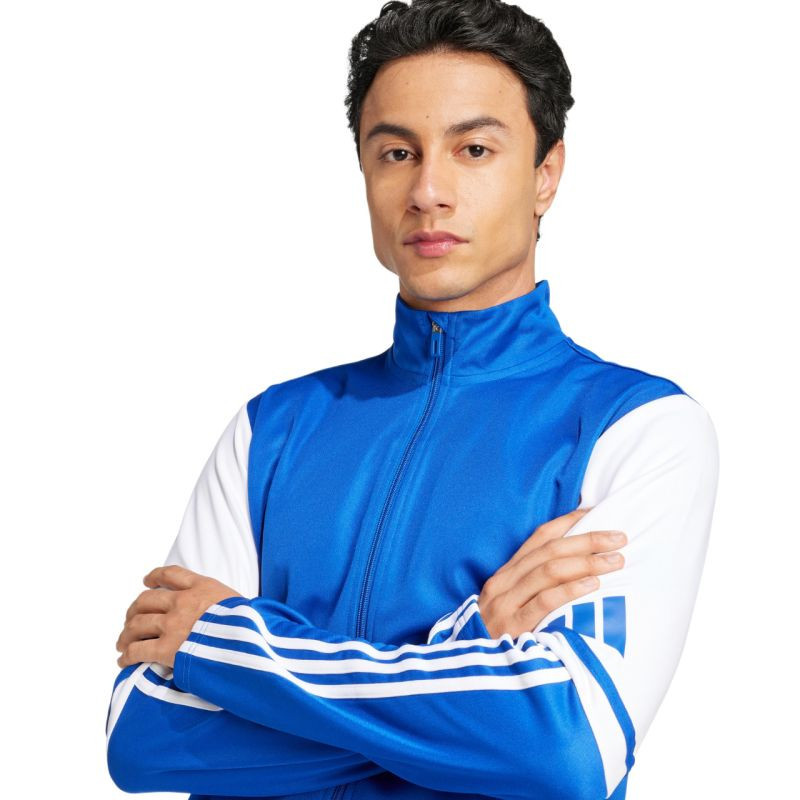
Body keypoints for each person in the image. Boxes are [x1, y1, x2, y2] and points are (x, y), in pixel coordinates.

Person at [105, 2, 719, 799]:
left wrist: (230, 649)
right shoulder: (269, 431)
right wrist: (469, 658)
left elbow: (564, 747)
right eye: (397, 152)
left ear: (545, 174)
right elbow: (144, 738)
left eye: (474, 149)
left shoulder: (633, 428)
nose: (428, 191)